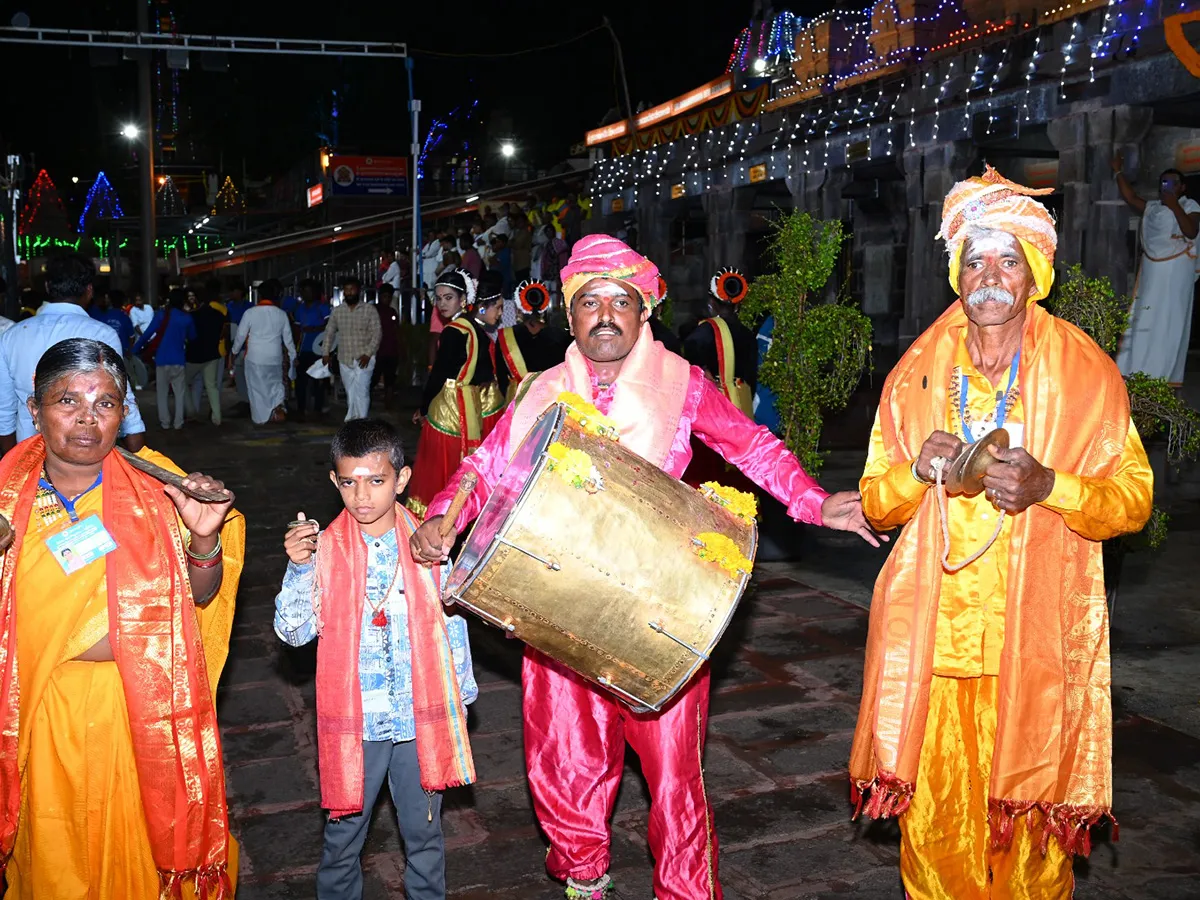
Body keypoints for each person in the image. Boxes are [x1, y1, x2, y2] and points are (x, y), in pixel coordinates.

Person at [409, 235, 882, 900]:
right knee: (565, 762)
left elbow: (750, 446)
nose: (604, 314)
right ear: (571, 317)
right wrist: (442, 518)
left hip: (662, 609)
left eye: (619, 302)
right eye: (589, 303)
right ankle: (583, 880)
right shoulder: (540, 390)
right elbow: (484, 466)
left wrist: (813, 500)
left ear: (643, 313)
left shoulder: (681, 384)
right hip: (557, 605)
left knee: (674, 777)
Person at [850, 166, 1154, 898]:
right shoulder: (916, 371)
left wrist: (1055, 487)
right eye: (975, 259)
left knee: (1030, 840)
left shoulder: (1086, 373)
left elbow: (1133, 499)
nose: (990, 276)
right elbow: (874, 502)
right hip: (937, 644)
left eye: (1008, 259)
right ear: (956, 271)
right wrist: (912, 474)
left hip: (1036, 644)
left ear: (1036, 273)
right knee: (934, 833)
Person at [0, 337, 245, 898]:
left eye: (106, 403)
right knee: (55, 856)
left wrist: (204, 538)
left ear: (124, 412)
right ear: (35, 410)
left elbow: (201, 596)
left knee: (136, 853)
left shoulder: (157, 484)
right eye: (68, 402)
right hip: (42, 714)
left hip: (136, 715)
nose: (88, 419)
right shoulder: (5, 498)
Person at [275, 418, 476, 900]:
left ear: (401, 480)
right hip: (357, 722)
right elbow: (293, 632)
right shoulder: (322, 549)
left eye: (376, 481)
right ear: (334, 482)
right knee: (343, 836)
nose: (361, 496)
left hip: (418, 717)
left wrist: (460, 700)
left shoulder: (429, 546)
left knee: (424, 834)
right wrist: (299, 568)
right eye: (349, 482)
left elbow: (452, 626)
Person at [0, 252, 147, 454]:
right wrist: (141, 461)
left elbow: (5, 411)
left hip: (32, 454)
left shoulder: (12, 336)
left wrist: (12, 466)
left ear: (47, 287)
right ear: (89, 290)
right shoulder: (101, 334)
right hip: (87, 450)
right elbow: (123, 400)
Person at [405, 270, 506, 517]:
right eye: (439, 298)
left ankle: (437, 512)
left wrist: (424, 406)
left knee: (439, 464)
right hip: (469, 403)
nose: (442, 304)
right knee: (463, 460)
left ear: (463, 299)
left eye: (448, 297)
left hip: (448, 403)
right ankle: (463, 510)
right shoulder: (474, 327)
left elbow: (440, 374)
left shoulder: (453, 331)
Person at [1112, 156, 1200, 385]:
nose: (1166, 187)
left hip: (1176, 273)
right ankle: (1135, 369)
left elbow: (1190, 231)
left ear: (1182, 187)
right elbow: (1130, 197)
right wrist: (1117, 171)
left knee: (1169, 320)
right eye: (1163, 182)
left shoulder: (1191, 206)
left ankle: (1164, 374)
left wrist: (1174, 206)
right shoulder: (1152, 209)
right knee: (1145, 316)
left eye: (1171, 183)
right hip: (1153, 272)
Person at [682, 268, 758, 488]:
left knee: (711, 472)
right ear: (738, 304)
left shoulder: (702, 334)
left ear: (711, 303)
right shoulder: (747, 335)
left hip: (712, 410)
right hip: (742, 406)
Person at [231, 278, 296, 425]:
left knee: (256, 389)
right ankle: (276, 407)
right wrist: (293, 356)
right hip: (274, 357)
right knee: (275, 384)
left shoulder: (250, 313)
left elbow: (240, 336)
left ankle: (261, 418)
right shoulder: (281, 314)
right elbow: (288, 340)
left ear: (259, 296)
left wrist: (234, 352)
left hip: (255, 357)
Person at [497, 280, 570, 404]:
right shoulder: (561, 336)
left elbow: (501, 379)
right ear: (545, 305)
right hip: (551, 401)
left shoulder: (505, 336)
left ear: (519, 307)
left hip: (518, 402)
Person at [133, 289, 197, 430]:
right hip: (179, 360)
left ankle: (165, 423)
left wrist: (135, 350)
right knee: (179, 393)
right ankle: (178, 423)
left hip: (161, 360)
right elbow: (192, 337)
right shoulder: (186, 318)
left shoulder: (161, 315)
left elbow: (147, 334)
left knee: (162, 394)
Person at [323, 276, 381, 422]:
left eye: (352, 290)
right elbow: (329, 332)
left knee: (361, 391)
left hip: (364, 358)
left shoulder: (369, 310)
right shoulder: (337, 311)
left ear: (358, 291)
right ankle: (353, 420)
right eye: (346, 290)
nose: (349, 293)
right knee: (351, 392)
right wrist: (326, 352)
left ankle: (360, 421)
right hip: (344, 358)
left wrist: (368, 354)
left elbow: (377, 333)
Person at [185, 283, 229, 426]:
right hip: (213, 354)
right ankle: (217, 417)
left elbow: (189, 337)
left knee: (183, 382)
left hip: (194, 356)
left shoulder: (192, 316)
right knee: (212, 386)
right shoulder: (218, 314)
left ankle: (191, 412)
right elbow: (223, 333)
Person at [293, 279, 332, 420]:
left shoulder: (323, 307)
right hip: (303, 349)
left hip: (319, 350)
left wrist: (315, 329)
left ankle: (318, 409)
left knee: (319, 381)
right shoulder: (299, 309)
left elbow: (330, 326)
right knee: (300, 382)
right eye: (304, 291)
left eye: (309, 290)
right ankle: (301, 408)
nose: (306, 293)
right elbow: (297, 329)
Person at [225, 283, 252, 415]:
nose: (231, 294)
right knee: (239, 373)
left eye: (234, 290)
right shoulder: (228, 307)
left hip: (249, 345)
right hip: (235, 343)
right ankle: (244, 400)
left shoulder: (250, 307)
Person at [372, 284, 402, 407]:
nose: (387, 299)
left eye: (389, 297)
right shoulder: (373, 311)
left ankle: (388, 402)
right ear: (380, 297)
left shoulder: (392, 312)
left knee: (390, 379)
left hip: (390, 350)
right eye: (384, 297)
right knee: (373, 377)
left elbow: (397, 330)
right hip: (377, 350)